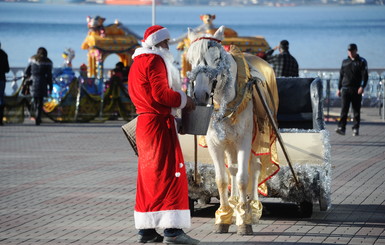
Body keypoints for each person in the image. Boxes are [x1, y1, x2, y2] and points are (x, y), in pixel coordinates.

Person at [128, 25, 199, 244]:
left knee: (149, 178)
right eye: (166, 42)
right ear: (157, 44)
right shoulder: (155, 60)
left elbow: (143, 95)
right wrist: (186, 101)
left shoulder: (136, 62)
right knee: (171, 175)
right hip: (159, 126)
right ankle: (173, 232)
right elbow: (161, 94)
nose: (169, 46)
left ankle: (147, 232)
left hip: (145, 123)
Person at [335, 43, 368, 136]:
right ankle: (341, 127)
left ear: (356, 51)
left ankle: (355, 128)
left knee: (356, 110)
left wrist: (362, 86)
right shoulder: (345, 61)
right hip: (345, 88)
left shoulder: (362, 61)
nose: (351, 53)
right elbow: (341, 75)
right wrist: (339, 88)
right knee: (344, 110)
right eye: (349, 51)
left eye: (352, 51)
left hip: (356, 89)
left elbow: (364, 76)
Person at [25, 47, 53, 125]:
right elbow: (49, 76)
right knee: (40, 101)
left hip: (33, 81)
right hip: (43, 82)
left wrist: (28, 78)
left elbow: (26, 72)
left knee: (35, 99)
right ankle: (38, 117)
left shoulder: (32, 61)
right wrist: (50, 86)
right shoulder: (47, 62)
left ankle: (35, 115)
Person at [0, 42, 10, 126]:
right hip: (1, 79)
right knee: (1, 99)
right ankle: (0, 119)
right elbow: (7, 69)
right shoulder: (4, 54)